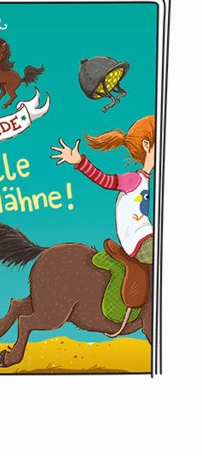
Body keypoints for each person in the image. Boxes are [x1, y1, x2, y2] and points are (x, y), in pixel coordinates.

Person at [50, 115, 154, 316]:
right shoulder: (134, 180)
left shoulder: (147, 180)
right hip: (139, 240)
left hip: (145, 234)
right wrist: (80, 162)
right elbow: (106, 180)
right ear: (147, 145)